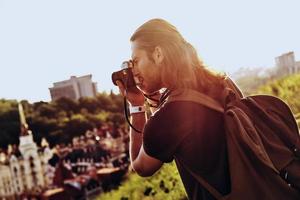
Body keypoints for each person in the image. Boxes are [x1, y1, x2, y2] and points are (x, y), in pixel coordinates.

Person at [116, 18, 232, 200]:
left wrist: (137, 106)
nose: (134, 71)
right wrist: (155, 101)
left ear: (158, 54)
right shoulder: (221, 81)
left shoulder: (169, 117)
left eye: (136, 61)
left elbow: (141, 167)